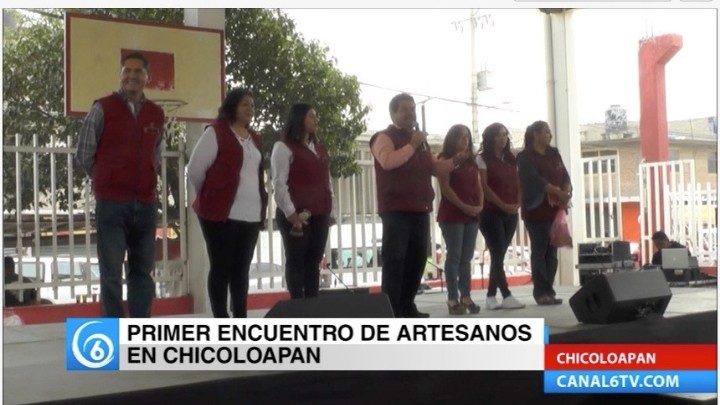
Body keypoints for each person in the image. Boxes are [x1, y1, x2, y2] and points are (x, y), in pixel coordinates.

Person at [76, 52, 164, 318]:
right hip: (112, 205)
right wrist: (107, 179)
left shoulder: (156, 114)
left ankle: (139, 335)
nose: (132, 76)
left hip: (146, 205)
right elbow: (84, 153)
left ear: (147, 77)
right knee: (111, 275)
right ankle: (113, 340)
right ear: (121, 75)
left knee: (142, 274)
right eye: (127, 70)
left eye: (138, 72)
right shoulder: (102, 107)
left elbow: (156, 155)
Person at [370, 93, 467, 318]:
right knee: (396, 261)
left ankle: (407, 305)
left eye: (413, 109)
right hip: (396, 210)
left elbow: (432, 168)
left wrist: (455, 161)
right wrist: (412, 145)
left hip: (420, 208)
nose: (411, 113)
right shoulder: (383, 137)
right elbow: (388, 162)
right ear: (393, 113)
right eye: (405, 109)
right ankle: (391, 310)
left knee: (416, 260)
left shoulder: (419, 140)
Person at [187, 88, 268, 318]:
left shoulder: (255, 139)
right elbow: (195, 170)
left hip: (251, 216)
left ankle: (240, 318)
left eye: (252, 105)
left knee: (241, 271)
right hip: (220, 214)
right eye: (245, 104)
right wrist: (213, 193)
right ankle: (221, 319)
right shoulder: (216, 132)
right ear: (232, 106)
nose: (250, 109)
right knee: (221, 267)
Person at [271, 103, 333, 299]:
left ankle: (312, 305)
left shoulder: (320, 148)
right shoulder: (283, 147)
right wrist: (291, 214)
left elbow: (326, 181)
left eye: (316, 116)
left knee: (314, 261)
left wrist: (330, 211)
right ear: (299, 119)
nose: (316, 120)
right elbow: (279, 183)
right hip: (295, 214)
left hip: (320, 213)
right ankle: (298, 307)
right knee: (296, 260)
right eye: (311, 116)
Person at [517, 120, 571, 306]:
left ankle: (550, 290)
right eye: (545, 132)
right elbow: (535, 181)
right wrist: (557, 191)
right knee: (539, 251)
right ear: (535, 135)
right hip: (536, 210)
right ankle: (540, 292)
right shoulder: (524, 157)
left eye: (549, 133)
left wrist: (566, 191)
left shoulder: (554, 153)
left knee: (552, 252)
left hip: (555, 209)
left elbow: (564, 175)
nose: (549, 135)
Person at [477, 123, 526, 310]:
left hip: (511, 212)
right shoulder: (481, 160)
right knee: (497, 252)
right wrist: (502, 205)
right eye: (498, 135)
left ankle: (490, 296)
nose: (503, 138)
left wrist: (518, 203)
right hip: (490, 212)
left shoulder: (511, 159)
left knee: (499, 255)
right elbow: (485, 187)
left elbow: (519, 184)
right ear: (490, 138)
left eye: (505, 134)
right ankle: (506, 294)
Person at [436, 124, 483, 315]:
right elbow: (445, 189)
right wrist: (465, 206)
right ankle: (452, 298)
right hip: (453, 214)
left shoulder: (472, 162)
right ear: (452, 139)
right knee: (454, 256)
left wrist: (479, 205)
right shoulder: (445, 160)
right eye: (461, 137)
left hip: (472, 214)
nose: (465, 140)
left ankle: (466, 295)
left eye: (468, 137)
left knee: (467, 257)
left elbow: (479, 186)